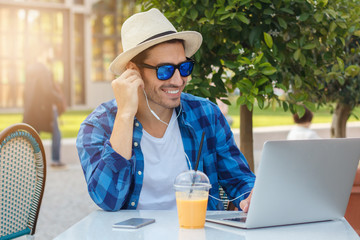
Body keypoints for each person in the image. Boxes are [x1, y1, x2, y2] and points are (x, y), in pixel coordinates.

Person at [76, 8, 255, 212]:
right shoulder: (98, 126)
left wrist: (252, 195)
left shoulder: (207, 115)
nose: (179, 81)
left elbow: (240, 181)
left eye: (184, 68)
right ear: (133, 71)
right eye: (165, 70)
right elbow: (108, 199)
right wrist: (125, 115)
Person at [23, 45, 66, 168]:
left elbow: (26, 92)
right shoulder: (43, 70)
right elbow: (47, 90)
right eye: (49, 53)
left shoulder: (30, 69)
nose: (51, 56)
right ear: (43, 54)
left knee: (34, 134)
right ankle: (55, 160)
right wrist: (59, 98)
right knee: (56, 133)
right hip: (45, 108)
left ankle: (31, 161)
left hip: (33, 108)